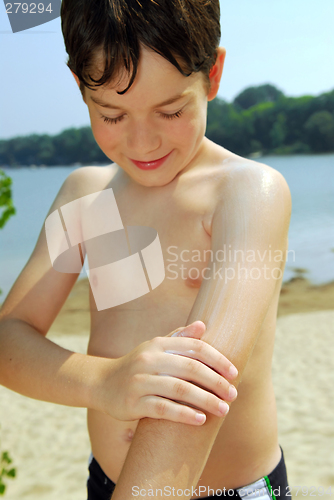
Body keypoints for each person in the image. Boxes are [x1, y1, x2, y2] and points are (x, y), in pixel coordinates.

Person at [0, 0, 292, 498]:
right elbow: (10, 338)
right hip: (107, 480)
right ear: (80, 88)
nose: (142, 142)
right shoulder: (85, 196)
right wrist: (104, 382)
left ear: (213, 74)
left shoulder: (246, 193)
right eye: (111, 115)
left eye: (171, 110)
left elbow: (196, 393)